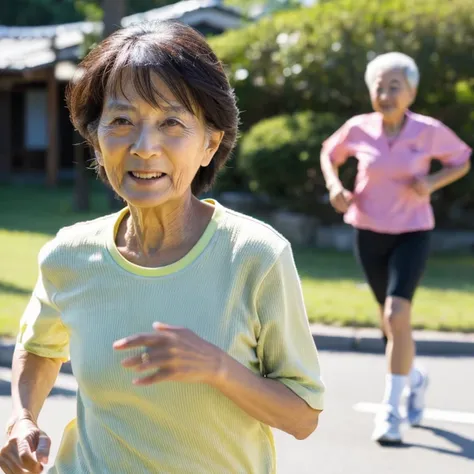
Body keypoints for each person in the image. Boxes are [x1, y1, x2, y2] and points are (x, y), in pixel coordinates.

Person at [0, 21, 324, 474]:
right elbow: (38, 348)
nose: (144, 146)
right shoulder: (68, 256)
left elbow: (303, 417)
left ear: (210, 144)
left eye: (171, 122)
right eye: (121, 121)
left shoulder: (256, 256)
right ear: (96, 139)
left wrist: (217, 367)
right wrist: (22, 417)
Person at [320, 52, 471, 444]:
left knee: (396, 312)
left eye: (394, 86)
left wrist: (433, 183)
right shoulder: (359, 128)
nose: (385, 94)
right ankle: (414, 379)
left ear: (411, 91)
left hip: (412, 232)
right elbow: (329, 154)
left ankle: (390, 412)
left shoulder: (428, 130)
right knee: (390, 325)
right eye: (379, 87)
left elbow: (462, 160)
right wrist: (335, 186)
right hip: (368, 231)